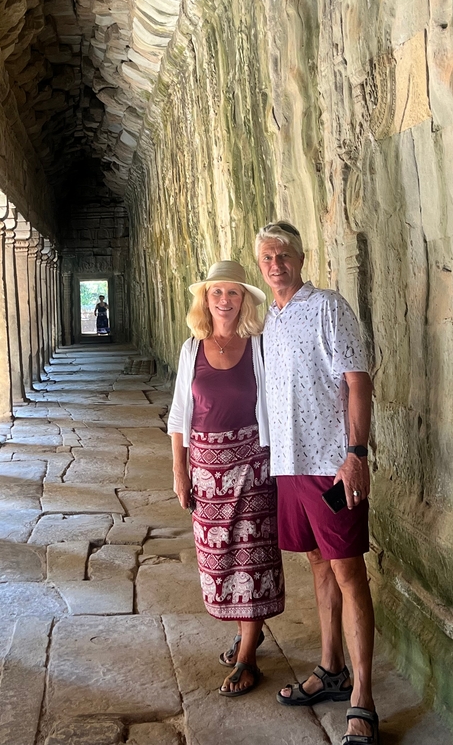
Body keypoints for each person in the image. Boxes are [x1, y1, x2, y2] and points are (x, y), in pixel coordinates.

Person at [255, 221, 378, 745]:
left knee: (349, 570)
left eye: (284, 254)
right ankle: (331, 669)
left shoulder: (327, 307)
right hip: (290, 464)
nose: (276, 263)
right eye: (267, 257)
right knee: (317, 562)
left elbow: (358, 382)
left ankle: (363, 700)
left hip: (330, 465)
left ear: (300, 259)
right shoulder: (272, 322)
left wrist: (354, 455)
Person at [168, 260, 285, 697]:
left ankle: (249, 653)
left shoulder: (258, 345)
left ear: (244, 300)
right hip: (206, 467)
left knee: (251, 556)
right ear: (205, 299)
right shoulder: (191, 349)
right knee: (221, 558)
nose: (224, 301)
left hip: (253, 465)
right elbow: (180, 415)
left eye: (232, 293)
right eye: (216, 293)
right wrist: (179, 470)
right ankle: (244, 632)